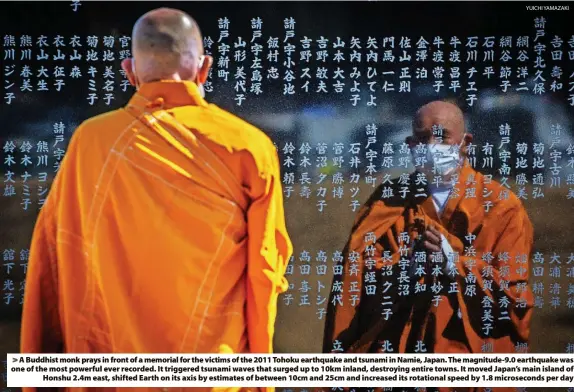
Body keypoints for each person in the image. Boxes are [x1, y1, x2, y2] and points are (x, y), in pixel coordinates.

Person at [21, 7, 292, 365]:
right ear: (204, 68)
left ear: (130, 72)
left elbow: (53, 261)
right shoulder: (248, 146)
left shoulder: (92, 141)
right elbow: (264, 273)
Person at [321, 101, 534, 392]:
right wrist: (404, 268)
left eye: (442, 136)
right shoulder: (387, 202)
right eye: (422, 138)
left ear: (465, 143)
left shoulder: (502, 207)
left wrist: (454, 263)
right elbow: (352, 287)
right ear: (410, 145)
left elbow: (515, 300)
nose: (431, 146)